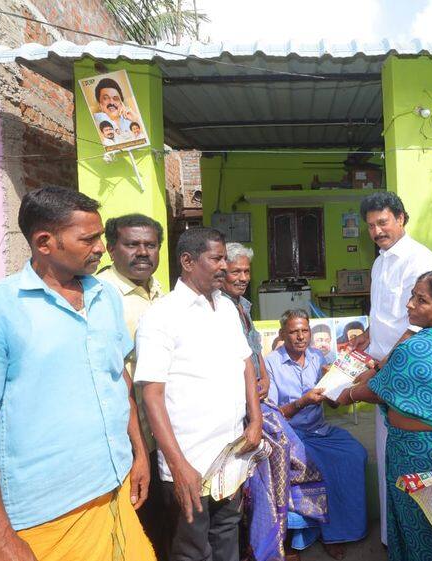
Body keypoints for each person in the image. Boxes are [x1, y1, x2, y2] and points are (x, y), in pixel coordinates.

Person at [0, 186, 154, 561]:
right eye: (88, 239)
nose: (101, 248)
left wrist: (139, 454)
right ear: (45, 242)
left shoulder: (105, 297)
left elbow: (117, 381)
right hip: (43, 517)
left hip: (115, 491)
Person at [336, 270, 432, 561]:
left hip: (422, 457)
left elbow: (379, 390)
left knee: (423, 537)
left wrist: (347, 395)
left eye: (421, 300)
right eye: (411, 296)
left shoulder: (418, 347)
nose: (409, 305)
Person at [135, 227, 262, 561]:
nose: (224, 265)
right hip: (190, 461)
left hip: (231, 455)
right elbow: (151, 395)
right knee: (191, 550)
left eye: (225, 258)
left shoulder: (226, 308)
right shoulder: (162, 316)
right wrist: (178, 466)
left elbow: (246, 364)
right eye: (216, 258)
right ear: (188, 262)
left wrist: (256, 419)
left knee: (227, 539)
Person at [221, 244, 327, 561]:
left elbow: (252, 352)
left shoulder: (243, 306)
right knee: (282, 456)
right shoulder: (220, 308)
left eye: (245, 271)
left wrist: (264, 376)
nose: (241, 277)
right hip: (241, 404)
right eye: (234, 271)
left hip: (259, 400)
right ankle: (270, 543)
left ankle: (284, 537)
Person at [350, 191, 432, 544]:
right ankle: (394, 538)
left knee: (411, 458)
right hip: (384, 372)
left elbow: (420, 322)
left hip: (409, 375)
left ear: (402, 218)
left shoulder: (420, 260)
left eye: (383, 222)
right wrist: (369, 336)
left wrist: (385, 365)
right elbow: (388, 316)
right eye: (370, 225)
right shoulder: (380, 261)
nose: (376, 231)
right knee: (389, 454)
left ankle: (417, 539)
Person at [266, 309, 367, 559]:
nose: (301, 336)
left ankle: (340, 531)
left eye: (305, 330)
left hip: (319, 429)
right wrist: (303, 401)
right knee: (317, 464)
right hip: (290, 434)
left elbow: (333, 403)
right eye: (293, 331)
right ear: (282, 334)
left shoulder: (317, 356)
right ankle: (303, 537)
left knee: (356, 454)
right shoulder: (271, 363)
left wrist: (336, 384)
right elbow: (272, 415)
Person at [97, 213, 167, 559]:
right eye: (132, 244)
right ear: (111, 249)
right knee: (133, 523)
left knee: (161, 522)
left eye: (150, 245)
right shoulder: (101, 295)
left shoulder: (158, 290)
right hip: (126, 435)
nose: (142, 253)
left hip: (161, 430)